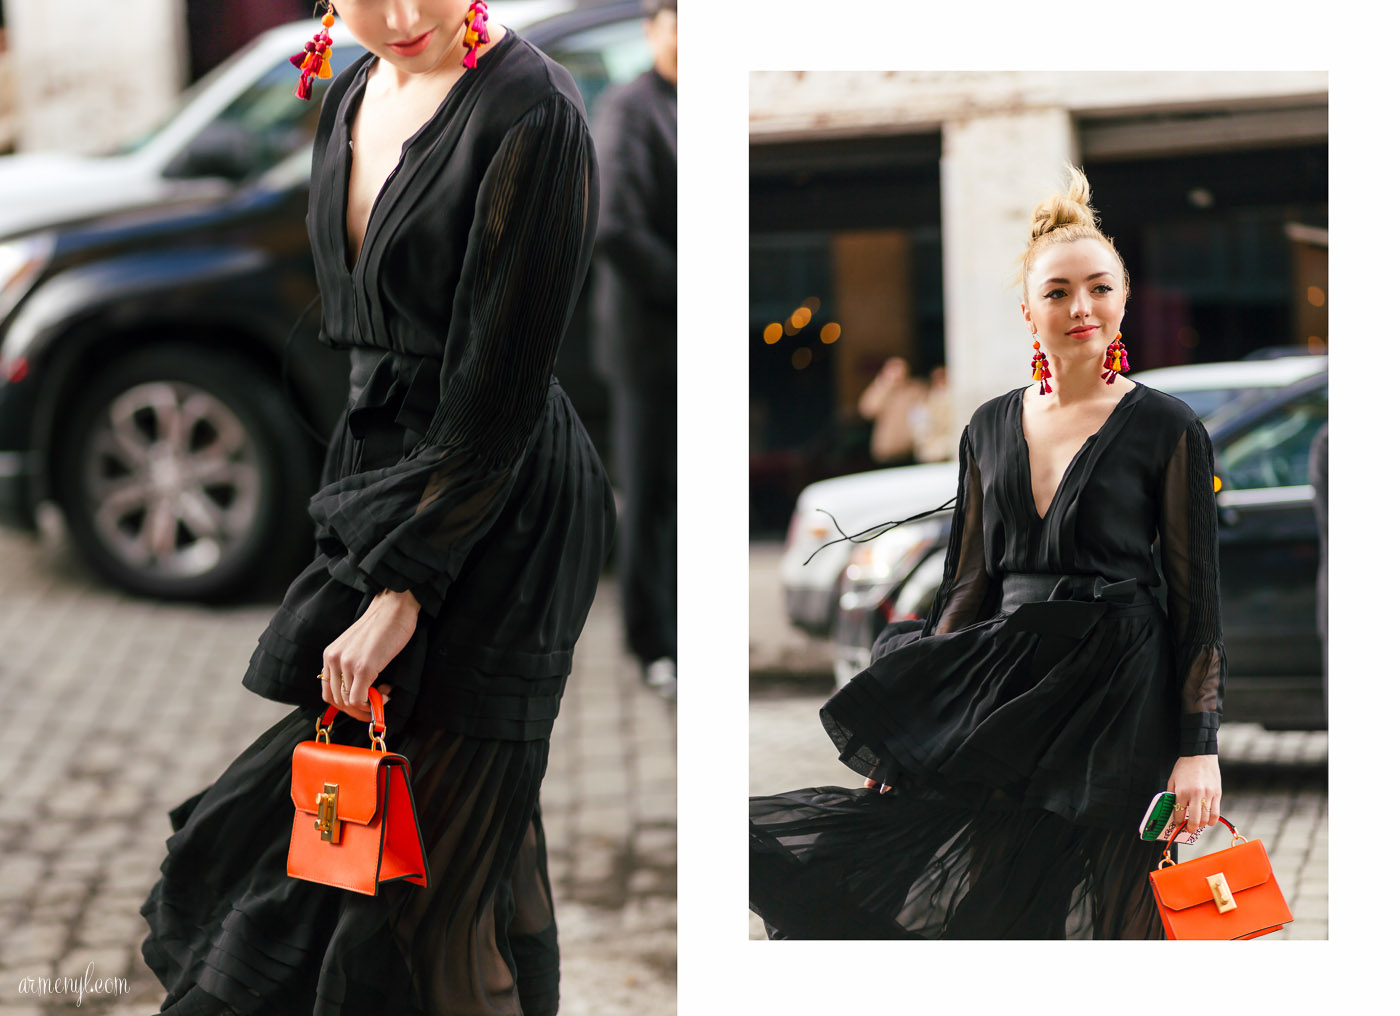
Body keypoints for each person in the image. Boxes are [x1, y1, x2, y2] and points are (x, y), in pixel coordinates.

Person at [140, 2, 615, 1013]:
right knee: (465, 849)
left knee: (419, 900)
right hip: (383, 490)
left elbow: (499, 386)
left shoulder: (534, 110)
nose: (400, 16)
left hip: (499, 514)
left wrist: (400, 584)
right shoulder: (351, 90)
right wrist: (353, 527)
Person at [750, 167, 1226, 939]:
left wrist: (1198, 750)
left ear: (1125, 296)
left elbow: (1195, 599)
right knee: (1000, 911)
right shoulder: (989, 427)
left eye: (1100, 288)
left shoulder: (1167, 427)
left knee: (1126, 919)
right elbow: (967, 587)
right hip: (1009, 691)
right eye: (1059, 291)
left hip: (1122, 697)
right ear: (1028, 309)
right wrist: (913, 734)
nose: (1082, 308)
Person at [590, 0, 677, 698]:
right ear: (653, 31)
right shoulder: (629, 108)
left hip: (690, 341)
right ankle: (652, 645)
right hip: (649, 340)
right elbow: (614, 225)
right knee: (648, 494)